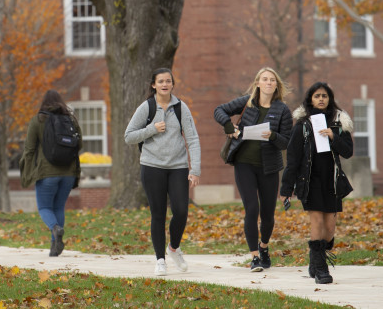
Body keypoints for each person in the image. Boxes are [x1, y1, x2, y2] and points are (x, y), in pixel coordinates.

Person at [124, 68, 201, 277]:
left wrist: (195, 170)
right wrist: (152, 129)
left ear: (172, 85)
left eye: (168, 81)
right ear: (154, 85)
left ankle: (174, 248)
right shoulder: (147, 108)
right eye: (161, 81)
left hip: (177, 167)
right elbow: (129, 136)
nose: (165, 84)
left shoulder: (181, 108)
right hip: (152, 166)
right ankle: (160, 260)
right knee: (158, 214)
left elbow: (192, 138)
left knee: (181, 211)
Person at [214, 67, 292, 272]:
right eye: (264, 79)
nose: (268, 83)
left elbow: (286, 142)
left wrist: (272, 136)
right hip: (244, 164)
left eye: (272, 80)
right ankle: (254, 257)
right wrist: (228, 127)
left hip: (269, 167)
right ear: (257, 82)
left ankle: (264, 247)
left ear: (276, 85)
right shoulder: (246, 102)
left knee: (268, 213)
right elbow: (219, 110)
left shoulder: (282, 110)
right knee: (251, 208)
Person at [280, 81, 353, 284]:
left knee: (329, 229)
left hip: (332, 181)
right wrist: (286, 189)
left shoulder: (339, 122)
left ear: (329, 99)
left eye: (325, 96)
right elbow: (293, 160)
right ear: (310, 99)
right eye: (317, 96)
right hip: (310, 182)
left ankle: (315, 259)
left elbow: (348, 151)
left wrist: (333, 137)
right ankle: (321, 269)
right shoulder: (302, 125)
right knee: (317, 223)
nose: (321, 99)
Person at [20, 90, 82, 257]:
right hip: (68, 174)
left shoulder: (38, 120)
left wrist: (26, 173)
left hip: (47, 173)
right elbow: (79, 143)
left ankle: (55, 229)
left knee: (45, 207)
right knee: (58, 207)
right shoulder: (70, 120)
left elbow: (29, 149)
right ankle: (54, 247)